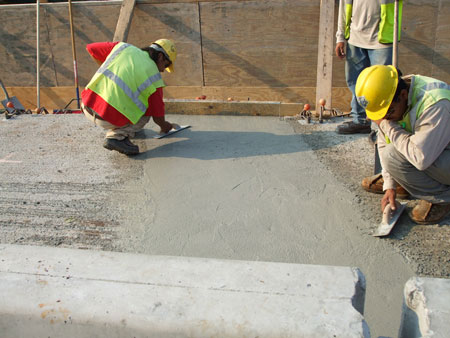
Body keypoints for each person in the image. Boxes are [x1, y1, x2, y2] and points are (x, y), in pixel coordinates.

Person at [357, 65, 450, 224]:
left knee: (398, 154)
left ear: (403, 94)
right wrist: (390, 185)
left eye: (390, 113)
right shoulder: (390, 96)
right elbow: (385, 142)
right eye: (382, 116)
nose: (387, 119)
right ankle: (404, 182)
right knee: (391, 154)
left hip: (437, 154)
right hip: (435, 152)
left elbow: (420, 157)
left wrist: (387, 125)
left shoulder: (435, 103)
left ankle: (442, 198)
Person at [81, 39, 178, 155]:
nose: (163, 70)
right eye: (165, 65)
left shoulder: (124, 48)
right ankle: (117, 136)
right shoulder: (154, 77)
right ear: (161, 56)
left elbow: (91, 48)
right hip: (106, 119)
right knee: (145, 113)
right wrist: (166, 126)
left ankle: (124, 129)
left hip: (87, 106)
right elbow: (157, 117)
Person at [335, 0, 402, 134]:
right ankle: (360, 121)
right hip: (355, 38)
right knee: (355, 82)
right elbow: (344, 6)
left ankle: (381, 127)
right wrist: (340, 37)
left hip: (382, 40)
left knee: (383, 87)